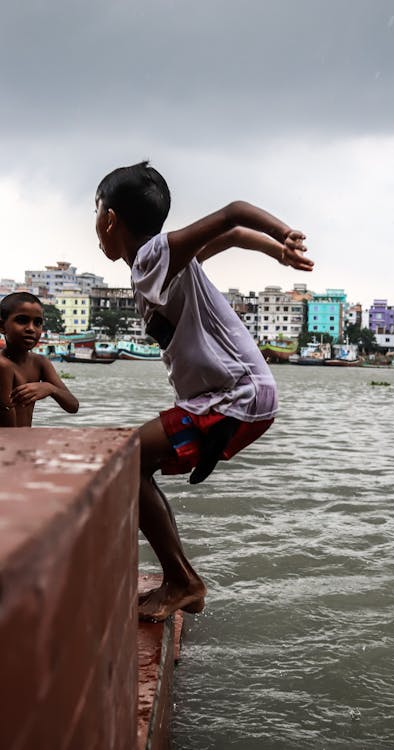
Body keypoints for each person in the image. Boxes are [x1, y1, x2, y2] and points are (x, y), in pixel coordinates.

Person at [95, 161, 314, 621]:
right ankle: (181, 581)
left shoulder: (154, 254)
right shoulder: (158, 262)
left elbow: (232, 213)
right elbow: (231, 236)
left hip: (236, 394)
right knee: (135, 464)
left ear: (109, 219)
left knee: (126, 459)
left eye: (95, 212)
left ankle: (182, 580)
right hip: (231, 396)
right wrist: (275, 253)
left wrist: (284, 234)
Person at [0, 292, 79, 426]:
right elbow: (9, 429)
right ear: (2, 327)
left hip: (22, 441)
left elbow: (73, 406)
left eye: (37, 323)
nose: (31, 328)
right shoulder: (2, 365)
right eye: (22, 320)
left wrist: (49, 388)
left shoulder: (40, 362)